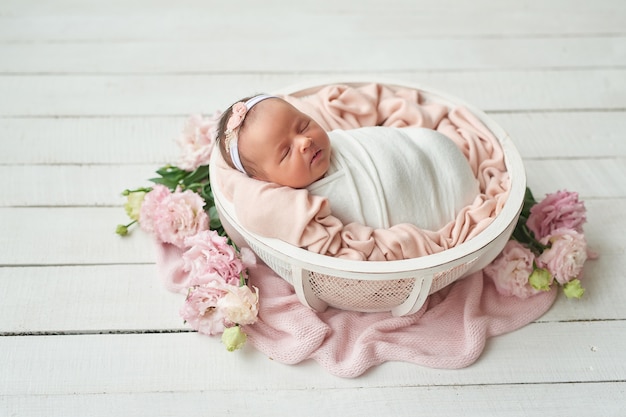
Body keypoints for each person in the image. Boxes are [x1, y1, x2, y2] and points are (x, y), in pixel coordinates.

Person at [216, 94, 479, 231]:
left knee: (425, 146)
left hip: (432, 150)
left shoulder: (336, 139)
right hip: (443, 202)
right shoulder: (305, 209)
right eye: (285, 153)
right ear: (266, 180)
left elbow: (389, 140)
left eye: (303, 125)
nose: (304, 142)